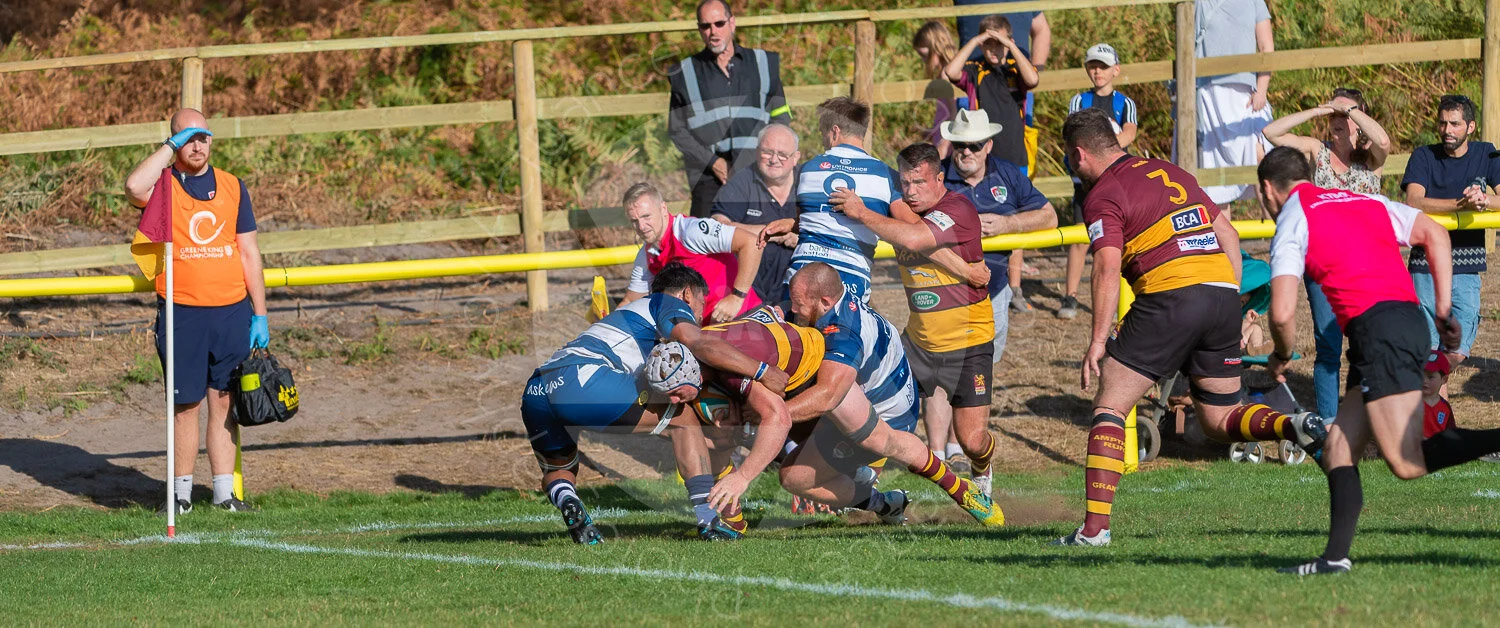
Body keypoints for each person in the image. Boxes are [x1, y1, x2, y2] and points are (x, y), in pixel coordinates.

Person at [1058, 109, 1327, 547]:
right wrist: (1235, 305)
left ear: (1079, 154)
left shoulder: (1102, 193)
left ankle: (1094, 531)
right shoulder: (1168, 171)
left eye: (1071, 161)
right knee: (1220, 419)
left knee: (1110, 406)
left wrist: (1096, 340)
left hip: (1170, 293)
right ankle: (1292, 425)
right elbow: (1230, 236)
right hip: (1221, 294)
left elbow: (1106, 268)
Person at [1257, 146, 1500, 575]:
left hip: (1379, 331)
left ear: (1266, 191)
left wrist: (1280, 356)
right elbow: (1435, 234)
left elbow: (1280, 313)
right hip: (1398, 324)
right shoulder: (1363, 199)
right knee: (1337, 449)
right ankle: (1334, 559)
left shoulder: (1294, 218)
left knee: (1406, 462)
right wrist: (1442, 312)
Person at [520, 263, 788, 544]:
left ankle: (567, 501)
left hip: (538, 390)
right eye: (701, 304)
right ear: (687, 294)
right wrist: (762, 371)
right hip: (585, 378)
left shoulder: (630, 316)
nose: (699, 313)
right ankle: (708, 521)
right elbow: (699, 344)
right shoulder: (667, 303)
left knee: (558, 470)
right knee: (682, 419)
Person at [838, 142, 1005, 497]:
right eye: (905, 183)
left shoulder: (957, 207)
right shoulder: (900, 206)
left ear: (940, 179)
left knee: (972, 439)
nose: (911, 192)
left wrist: (861, 213)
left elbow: (916, 237)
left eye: (920, 183)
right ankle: (862, 485)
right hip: (918, 343)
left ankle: (982, 465)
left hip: (967, 342)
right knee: (873, 404)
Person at [123, 108, 268, 514]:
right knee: (185, 405)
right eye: (188, 138)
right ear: (175, 143)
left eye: (203, 136)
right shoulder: (165, 186)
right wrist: (169, 148)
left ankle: (225, 494)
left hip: (231, 312)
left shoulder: (233, 186)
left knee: (224, 402)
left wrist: (260, 314)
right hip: (182, 311)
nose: (198, 145)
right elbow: (134, 186)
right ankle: (181, 495)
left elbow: (249, 252)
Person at [783, 262, 1004, 525]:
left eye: (798, 303)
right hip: (879, 397)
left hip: (889, 414)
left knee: (804, 470)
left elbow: (829, 395)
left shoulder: (843, 333)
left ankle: (959, 490)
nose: (793, 309)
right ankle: (884, 500)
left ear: (825, 302)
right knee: (791, 474)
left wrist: (773, 415)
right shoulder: (837, 303)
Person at [691, 306, 916, 527]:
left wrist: (742, 477)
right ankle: (877, 495)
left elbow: (778, 417)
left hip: (818, 381)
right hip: (802, 384)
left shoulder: (727, 365)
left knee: (798, 467)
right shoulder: (710, 358)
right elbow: (772, 311)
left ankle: (880, 483)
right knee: (793, 465)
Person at [758, 97, 987, 303]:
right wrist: (966, 272)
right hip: (848, 285)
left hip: (799, 278)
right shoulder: (884, 175)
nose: (823, 141)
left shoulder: (808, 170)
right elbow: (916, 235)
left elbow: (817, 221)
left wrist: (792, 223)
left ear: (835, 131)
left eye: (822, 133)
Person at [1262, 87, 1392, 419]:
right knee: (1329, 344)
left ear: (1360, 118)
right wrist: (1319, 110)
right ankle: (1330, 423)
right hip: (1323, 262)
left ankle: (1372, 419)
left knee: (1370, 342)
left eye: (1345, 116)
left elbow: (1384, 142)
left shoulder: (1370, 160)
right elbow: (1271, 132)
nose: (1338, 121)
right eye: (1334, 116)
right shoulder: (1316, 152)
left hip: (1365, 263)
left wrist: (1351, 112)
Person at [939, 109, 1056, 363]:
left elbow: (1049, 216)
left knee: (985, 373)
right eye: (960, 144)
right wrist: (963, 227)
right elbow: (912, 221)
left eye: (975, 145)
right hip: (947, 293)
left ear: (988, 145)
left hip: (995, 292)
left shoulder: (1008, 173)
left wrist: (1009, 223)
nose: (966, 151)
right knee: (946, 375)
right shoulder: (936, 178)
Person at [1401, 94, 1500, 370]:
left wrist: (1483, 200)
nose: (1447, 130)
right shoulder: (1423, 156)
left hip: (1466, 263)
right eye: (1443, 123)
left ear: (1470, 127)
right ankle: (1428, 409)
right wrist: (1462, 204)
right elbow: (1414, 201)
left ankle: (1433, 403)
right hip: (1426, 263)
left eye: (1455, 124)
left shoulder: (1486, 153)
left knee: (1458, 348)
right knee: (1427, 348)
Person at [668, 0, 791, 218]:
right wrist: (713, 163)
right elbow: (678, 131)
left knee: (763, 241)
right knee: (708, 245)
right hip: (709, 179)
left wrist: (770, 158)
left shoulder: (763, 63)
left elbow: (781, 116)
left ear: (732, 23)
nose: (713, 32)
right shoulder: (683, 74)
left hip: (759, 172)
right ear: (699, 30)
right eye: (706, 26)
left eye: (719, 23)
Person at [1060, 43, 1139, 320]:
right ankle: (1069, 296)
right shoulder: (1078, 102)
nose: (1098, 71)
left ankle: (1125, 297)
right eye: (1093, 66)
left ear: (1116, 70)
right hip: (1084, 181)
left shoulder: (1125, 103)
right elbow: (1072, 132)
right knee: (1080, 238)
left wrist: (1103, 151)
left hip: (1114, 181)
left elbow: (1130, 132)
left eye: (1104, 66)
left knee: (1119, 240)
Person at [622, 182, 763, 324]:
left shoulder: (691, 231)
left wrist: (736, 298)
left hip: (745, 317)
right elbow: (631, 300)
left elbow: (751, 243)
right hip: (707, 331)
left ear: (663, 209)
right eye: (634, 221)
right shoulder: (646, 254)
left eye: (646, 216)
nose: (641, 226)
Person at [1191, 0, 1275, 205]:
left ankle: (1281, 225)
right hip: (1209, 91)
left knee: (1263, 157)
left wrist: (1262, 88)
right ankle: (1225, 235)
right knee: (1215, 175)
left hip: (1246, 91)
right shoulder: (1200, 2)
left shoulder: (1255, 2)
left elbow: (1267, 47)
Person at [710, 124, 800, 303]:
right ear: (757, 151)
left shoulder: (808, 183)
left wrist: (801, 237)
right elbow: (717, 226)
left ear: (796, 157)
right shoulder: (742, 181)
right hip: (749, 292)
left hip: (798, 292)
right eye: (767, 152)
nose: (774, 159)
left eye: (782, 154)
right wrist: (774, 234)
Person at [944, 15, 1037, 179]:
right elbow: (951, 72)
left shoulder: (1016, 69)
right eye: (988, 44)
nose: (993, 49)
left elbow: (1032, 80)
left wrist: (1010, 45)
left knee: (1019, 201)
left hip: (1015, 152)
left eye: (999, 43)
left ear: (1009, 43)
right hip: (983, 154)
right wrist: (973, 41)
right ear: (981, 45)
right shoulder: (975, 70)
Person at [911, 20, 960, 158]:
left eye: (924, 55)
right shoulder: (943, 74)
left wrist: (944, 145)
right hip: (943, 136)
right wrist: (933, 131)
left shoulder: (947, 75)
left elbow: (954, 113)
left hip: (949, 143)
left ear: (936, 47)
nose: (923, 60)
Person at [1421, 351, 1453, 439]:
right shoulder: (1411, 403)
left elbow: (1452, 434)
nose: (1424, 380)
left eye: (1430, 377)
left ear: (1444, 379)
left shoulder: (1445, 408)